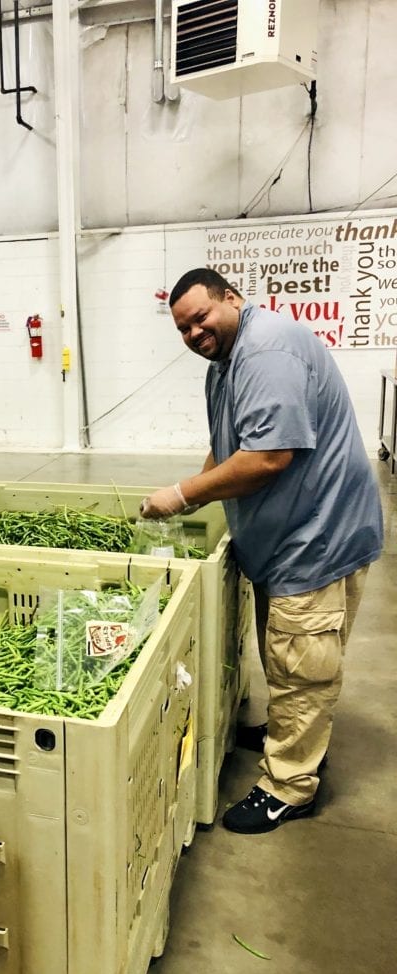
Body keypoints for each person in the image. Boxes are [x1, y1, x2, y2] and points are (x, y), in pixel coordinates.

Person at [140, 267, 383, 835]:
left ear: (232, 298)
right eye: (182, 329)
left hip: (317, 536)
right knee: (283, 652)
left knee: (303, 665)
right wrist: (192, 500)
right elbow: (228, 447)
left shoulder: (267, 350)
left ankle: (289, 786)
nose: (194, 334)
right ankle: (288, 733)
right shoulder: (226, 363)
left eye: (200, 318)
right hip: (284, 541)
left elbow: (268, 457)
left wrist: (179, 496)